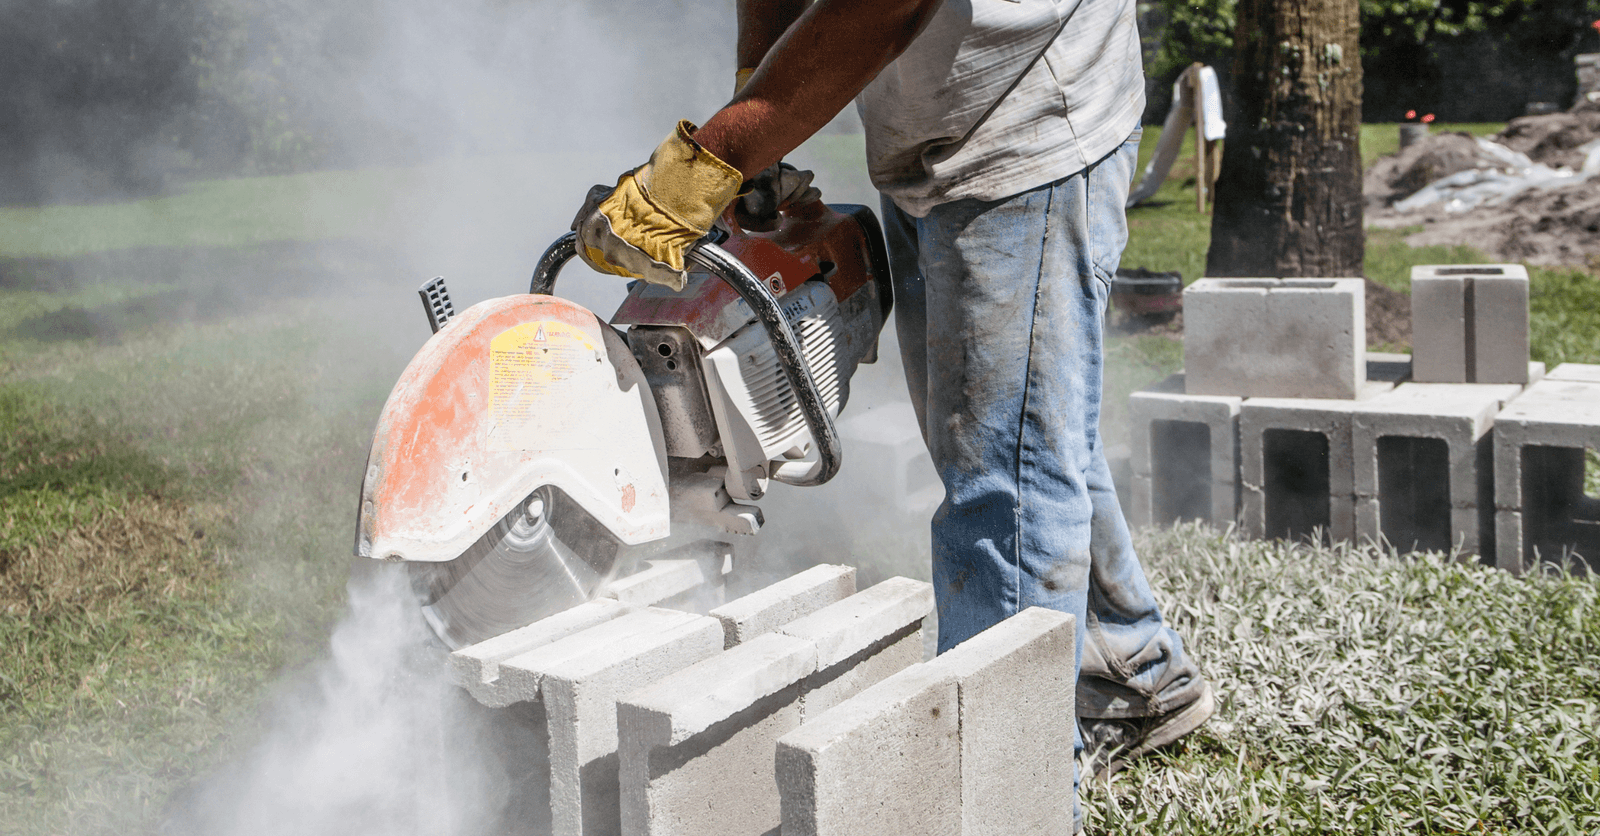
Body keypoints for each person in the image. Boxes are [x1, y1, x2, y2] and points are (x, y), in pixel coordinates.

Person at [571, 0, 1212, 827]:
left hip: (1026, 118)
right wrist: (756, 104)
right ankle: (1133, 670)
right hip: (937, 120)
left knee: (1002, 478)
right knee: (1019, 426)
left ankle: (1005, 796)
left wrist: (712, 163)